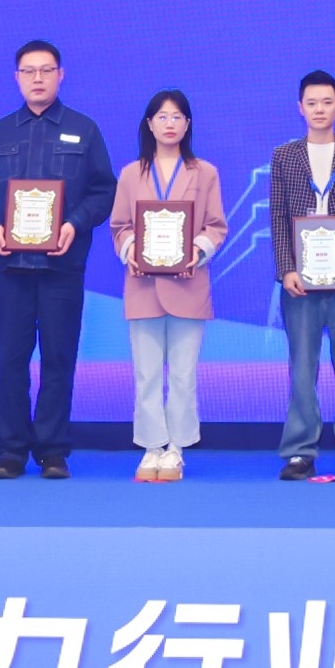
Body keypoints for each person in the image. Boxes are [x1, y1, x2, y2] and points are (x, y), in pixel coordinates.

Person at [0, 40, 117, 480]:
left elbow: (103, 191)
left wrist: (74, 223)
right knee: (10, 361)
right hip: (9, 268)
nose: (38, 78)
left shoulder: (84, 130)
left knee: (58, 359)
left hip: (62, 268)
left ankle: (53, 451)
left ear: (60, 75)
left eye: (46, 70)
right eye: (29, 71)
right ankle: (10, 452)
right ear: (17, 77)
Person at [109, 90, 228, 482]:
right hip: (142, 286)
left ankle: (176, 447)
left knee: (182, 375)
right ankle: (151, 446)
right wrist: (132, 251)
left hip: (188, 285)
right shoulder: (131, 174)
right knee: (146, 374)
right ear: (149, 124)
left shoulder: (205, 172)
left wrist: (196, 251)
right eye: (162, 117)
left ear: (188, 124)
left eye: (177, 117)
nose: (170, 123)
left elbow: (216, 226)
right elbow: (119, 226)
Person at [269, 70, 335, 481]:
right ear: (300, 108)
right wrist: (286, 268)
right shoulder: (284, 155)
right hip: (300, 281)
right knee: (302, 369)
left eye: (327, 102)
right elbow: (278, 216)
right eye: (312, 103)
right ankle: (300, 451)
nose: (319, 109)